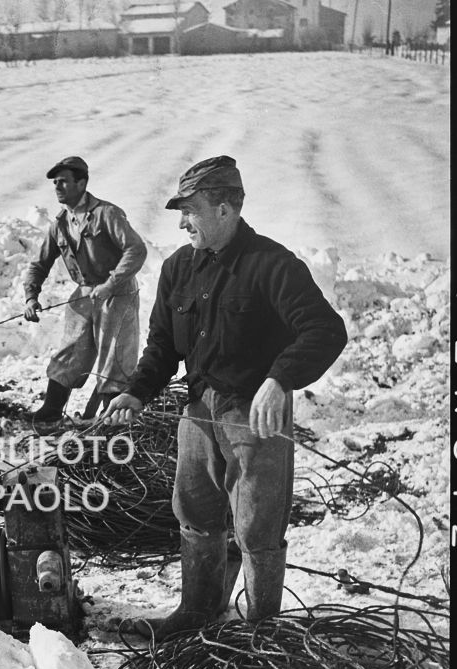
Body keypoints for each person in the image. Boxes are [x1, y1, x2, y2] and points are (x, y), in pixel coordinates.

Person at [103, 155, 347, 638]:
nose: (182, 221)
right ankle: (197, 610)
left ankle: (262, 627)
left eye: (191, 209)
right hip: (199, 410)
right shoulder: (178, 269)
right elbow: (161, 345)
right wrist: (136, 392)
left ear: (226, 209)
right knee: (193, 508)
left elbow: (325, 330)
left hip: (253, 414)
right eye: (180, 211)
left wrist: (280, 380)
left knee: (257, 524)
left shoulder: (271, 265)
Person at [23, 155, 147, 422]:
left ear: (82, 183)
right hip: (83, 294)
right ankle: (52, 409)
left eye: (64, 182)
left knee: (115, 357)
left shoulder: (107, 214)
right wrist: (31, 297)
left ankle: (110, 416)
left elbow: (136, 249)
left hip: (118, 294)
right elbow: (39, 264)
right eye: (55, 183)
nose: (57, 187)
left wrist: (111, 283)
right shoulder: (60, 224)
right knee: (71, 349)